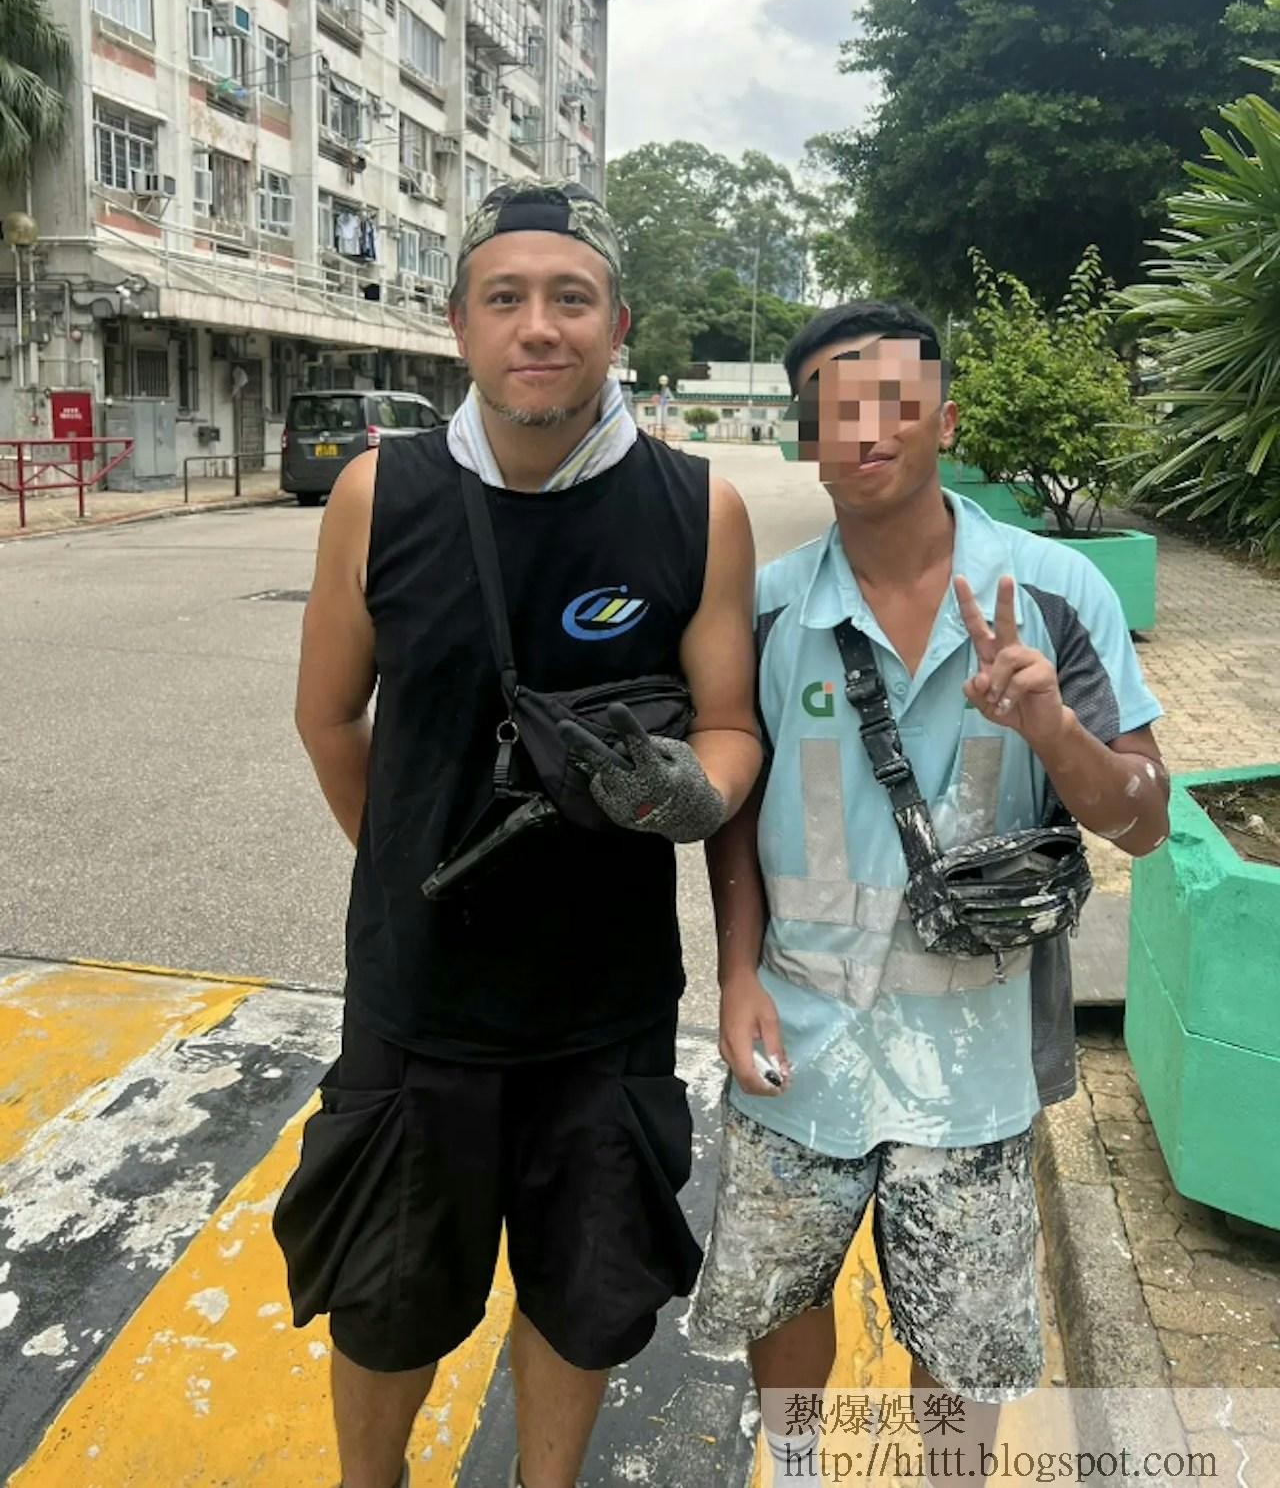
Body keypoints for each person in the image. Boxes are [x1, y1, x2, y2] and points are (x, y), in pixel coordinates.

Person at [274, 179, 762, 1488]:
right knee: (385, 1297)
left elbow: (730, 723)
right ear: (459, 324)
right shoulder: (379, 495)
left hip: (606, 1007)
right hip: (417, 1001)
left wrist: (697, 790)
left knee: (584, 1294)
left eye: (570, 297)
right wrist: (409, 865)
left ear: (618, 325)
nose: (538, 325)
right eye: (505, 297)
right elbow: (328, 716)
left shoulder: (696, 508)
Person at [689, 301, 1170, 1484]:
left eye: (892, 404)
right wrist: (735, 972)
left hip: (976, 1051)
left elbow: (1143, 819)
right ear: (805, 436)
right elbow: (732, 808)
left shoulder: (1051, 592)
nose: (863, 430)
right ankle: (797, 1465)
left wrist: (1051, 726)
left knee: (959, 1339)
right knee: (781, 1290)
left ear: (943, 420)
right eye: (832, 410)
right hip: (799, 1035)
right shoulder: (764, 605)